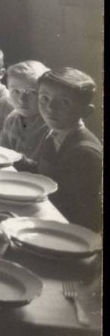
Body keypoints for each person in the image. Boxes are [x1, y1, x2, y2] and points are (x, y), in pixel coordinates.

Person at [20, 68, 102, 231]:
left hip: (71, 231)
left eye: (64, 102)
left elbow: (75, 209)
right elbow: (45, 174)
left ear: (86, 111)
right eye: (44, 98)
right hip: (49, 214)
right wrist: (15, 160)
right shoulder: (55, 132)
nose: (50, 107)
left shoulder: (84, 152)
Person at [0, 61, 51, 158]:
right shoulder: (12, 118)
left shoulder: (49, 126)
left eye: (32, 92)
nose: (22, 99)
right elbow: (1, 151)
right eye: (15, 91)